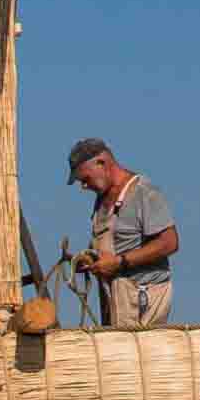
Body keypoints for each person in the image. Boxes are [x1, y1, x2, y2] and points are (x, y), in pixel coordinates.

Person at [65, 136, 180, 327]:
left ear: (102, 162)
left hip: (141, 299)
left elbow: (169, 242)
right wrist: (90, 260)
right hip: (115, 299)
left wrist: (119, 263)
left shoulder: (143, 192)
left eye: (85, 179)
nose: (84, 186)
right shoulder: (102, 200)